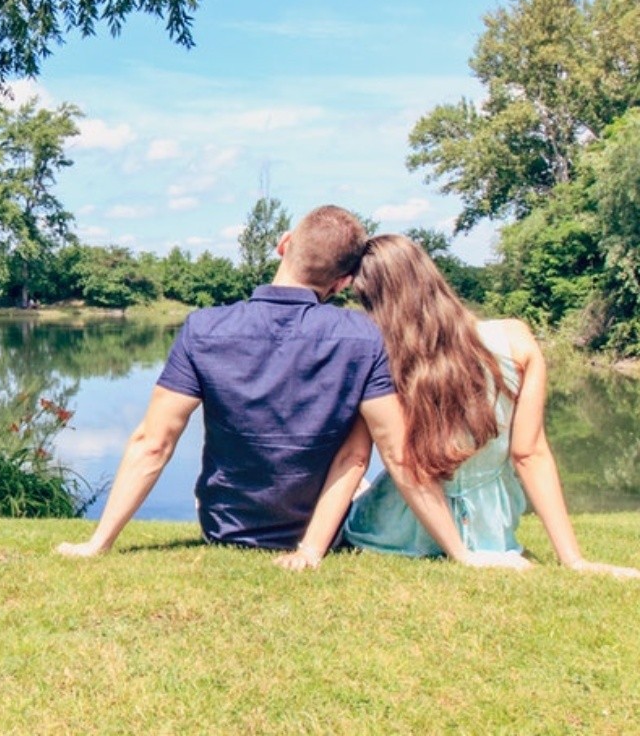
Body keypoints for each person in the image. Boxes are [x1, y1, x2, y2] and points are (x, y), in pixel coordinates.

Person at [57, 206, 496, 564]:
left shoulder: (204, 329)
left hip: (225, 529)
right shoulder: (363, 338)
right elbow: (395, 455)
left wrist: (98, 543)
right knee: (357, 476)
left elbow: (153, 444)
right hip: (322, 532)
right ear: (342, 282)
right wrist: (462, 554)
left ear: (284, 245)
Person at [276, 234, 639, 577]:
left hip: (394, 532)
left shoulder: (379, 358)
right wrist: (573, 560)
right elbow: (530, 455)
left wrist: (311, 550)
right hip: (489, 533)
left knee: (360, 485)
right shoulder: (516, 339)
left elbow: (355, 458)